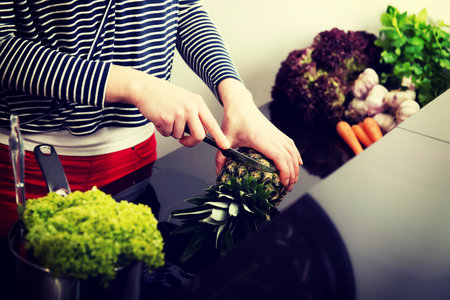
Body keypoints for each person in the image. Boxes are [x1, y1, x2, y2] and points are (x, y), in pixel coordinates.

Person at [0, 1, 301, 238]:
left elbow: (183, 8)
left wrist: (235, 94)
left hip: (136, 161)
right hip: (29, 164)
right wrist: (136, 86)